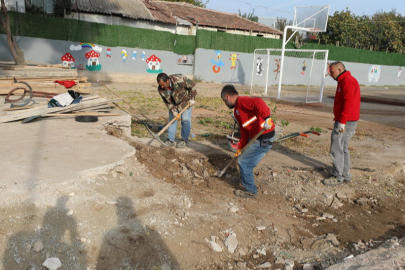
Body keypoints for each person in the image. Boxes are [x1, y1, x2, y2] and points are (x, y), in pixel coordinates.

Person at [220, 85, 275, 198]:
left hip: (264, 138)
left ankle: (251, 191)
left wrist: (267, 118)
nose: (225, 104)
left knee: (244, 162)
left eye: (224, 101)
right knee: (243, 158)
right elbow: (243, 131)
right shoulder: (237, 112)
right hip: (254, 137)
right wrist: (241, 147)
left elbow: (259, 102)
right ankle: (245, 178)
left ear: (227, 97)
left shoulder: (243, 101)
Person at [323, 61, 361, 186]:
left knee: (336, 147)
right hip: (346, 120)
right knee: (343, 147)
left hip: (346, 121)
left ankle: (337, 176)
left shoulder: (348, 81)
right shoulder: (343, 81)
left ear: (339, 70)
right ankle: (345, 175)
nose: (330, 74)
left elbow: (348, 102)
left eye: (332, 71)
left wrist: (342, 122)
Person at [157, 73, 197, 148]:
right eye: (160, 85)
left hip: (185, 102)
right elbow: (167, 102)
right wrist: (173, 111)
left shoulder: (179, 80)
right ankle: (170, 140)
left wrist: (192, 99)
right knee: (172, 120)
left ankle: (184, 140)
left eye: (163, 84)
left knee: (185, 120)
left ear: (168, 80)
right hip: (174, 104)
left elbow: (193, 85)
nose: (162, 86)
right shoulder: (161, 90)